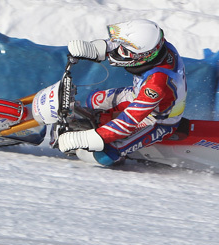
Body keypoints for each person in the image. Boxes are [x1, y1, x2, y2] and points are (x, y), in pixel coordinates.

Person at [56, 19, 187, 166]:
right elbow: (121, 43)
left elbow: (127, 122)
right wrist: (93, 48)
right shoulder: (156, 45)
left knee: (103, 155)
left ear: (142, 58)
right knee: (94, 100)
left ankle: (120, 153)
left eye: (124, 51)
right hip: (139, 94)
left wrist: (83, 140)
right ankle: (98, 126)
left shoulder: (156, 84)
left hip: (157, 118)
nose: (119, 51)